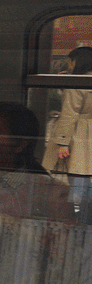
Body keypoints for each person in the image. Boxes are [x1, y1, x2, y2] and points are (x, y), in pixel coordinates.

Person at [49, 46, 92, 215]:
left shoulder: (77, 82)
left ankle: (77, 215)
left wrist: (62, 143)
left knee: (78, 178)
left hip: (79, 134)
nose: (69, 65)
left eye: (70, 61)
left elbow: (69, 114)